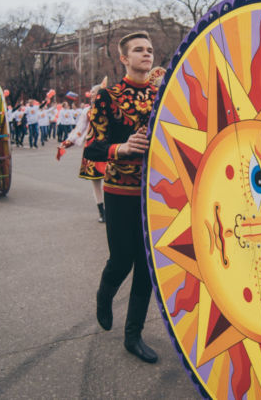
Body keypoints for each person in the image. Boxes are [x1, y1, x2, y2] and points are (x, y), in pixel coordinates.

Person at [84, 31, 159, 363]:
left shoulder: (162, 96)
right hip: (119, 191)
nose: (146, 54)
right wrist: (123, 147)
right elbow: (92, 146)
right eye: (138, 50)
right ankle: (105, 292)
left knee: (146, 267)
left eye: (150, 50)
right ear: (124, 59)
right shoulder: (108, 96)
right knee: (122, 260)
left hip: (155, 194)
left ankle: (133, 335)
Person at [57, 80, 108, 223]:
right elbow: (79, 130)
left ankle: (110, 210)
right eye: (91, 92)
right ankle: (101, 211)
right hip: (92, 148)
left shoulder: (109, 108)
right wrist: (67, 143)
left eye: (93, 92)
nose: (90, 94)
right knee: (95, 181)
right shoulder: (87, 111)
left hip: (108, 147)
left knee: (110, 180)